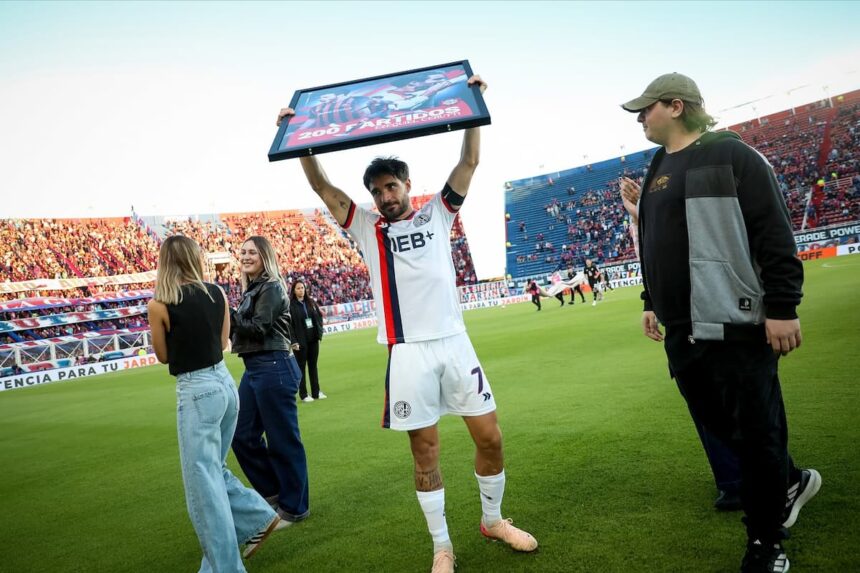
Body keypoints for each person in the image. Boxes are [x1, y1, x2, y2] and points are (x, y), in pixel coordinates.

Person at [279, 74, 538, 573]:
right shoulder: (364, 227)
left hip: (455, 344)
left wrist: (472, 106)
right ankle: (442, 546)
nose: (385, 196)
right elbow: (319, 184)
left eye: (391, 187)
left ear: (407, 185)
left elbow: (469, 162)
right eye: (377, 191)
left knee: (490, 437)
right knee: (426, 452)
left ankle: (493, 519)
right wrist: (299, 138)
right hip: (407, 353)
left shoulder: (438, 214)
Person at [621, 72, 821, 573]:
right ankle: (790, 481)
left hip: (737, 324)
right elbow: (659, 239)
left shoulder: (735, 156)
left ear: (676, 105)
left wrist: (782, 307)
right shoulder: (657, 166)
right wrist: (650, 298)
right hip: (681, 330)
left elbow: (774, 233)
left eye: (646, 109)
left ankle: (766, 544)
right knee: (721, 428)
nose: (640, 118)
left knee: (756, 435)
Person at [146, 235, 280, 572]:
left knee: (201, 489)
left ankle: (228, 565)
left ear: (165, 262)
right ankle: (257, 517)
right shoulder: (216, 293)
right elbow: (223, 342)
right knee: (213, 471)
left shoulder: (159, 304)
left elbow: (162, 356)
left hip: (196, 390)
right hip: (224, 384)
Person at [230, 236, 311, 527]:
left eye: (252, 252)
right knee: (241, 435)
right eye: (243, 252)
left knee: (283, 440)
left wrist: (227, 316)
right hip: (255, 368)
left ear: (265, 256)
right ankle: (275, 494)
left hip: (274, 365)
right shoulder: (252, 289)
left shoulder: (273, 287)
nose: (246, 256)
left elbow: (260, 328)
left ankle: (295, 508)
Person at [289, 278, 326, 402]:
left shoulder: (311, 302)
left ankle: (316, 392)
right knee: (301, 368)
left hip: (313, 339)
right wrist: (293, 341)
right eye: (298, 288)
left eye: (302, 288)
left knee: (313, 366)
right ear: (294, 291)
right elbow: (289, 325)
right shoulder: (291, 306)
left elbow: (319, 317)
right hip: (300, 341)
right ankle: (304, 394)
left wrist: (319, 333)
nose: (301, 290)